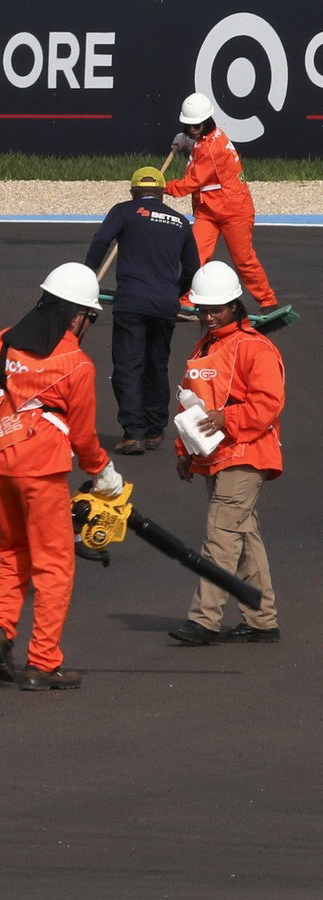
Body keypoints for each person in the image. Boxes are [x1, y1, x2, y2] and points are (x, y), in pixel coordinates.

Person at [0, 262, 125, 691]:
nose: (89, 325)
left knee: (12, 549)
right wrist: (104, 474)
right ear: (75, 315)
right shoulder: (76, 363)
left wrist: (1, 417)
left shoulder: (2, 343)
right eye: (90, 317)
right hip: (42, 471)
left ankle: (0, 630)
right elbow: (85, 438)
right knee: (54, 566)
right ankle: (43, 662)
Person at [166, 261, 285, 645]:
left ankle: (204, 620)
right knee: (244, 536)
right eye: (203, 309)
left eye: (216, 308)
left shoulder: (255, 347)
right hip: (217, 455)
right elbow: (191, 403)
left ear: (235, 304)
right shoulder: (207, 346)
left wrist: (225, 419)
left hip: (247, 454)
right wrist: (185, 449)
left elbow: (268, 404)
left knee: (220, 535)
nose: (209, 315)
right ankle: (262, 620)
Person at [84, 165, 200, 455]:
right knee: (156, 365)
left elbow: (101, 241)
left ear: (134, 192)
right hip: (164, 304)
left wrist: (86, 274)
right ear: (162, 194)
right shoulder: (180, 222)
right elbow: (192, 269)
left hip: (132, 301)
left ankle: (133, 432)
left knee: (128, 366)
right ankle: (154, 429)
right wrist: (174, 291)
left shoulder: (124, 210)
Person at [165, 92, 279, 310]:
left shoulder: (211, 148)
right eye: (189, 126)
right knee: (195, 257)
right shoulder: (208, 137)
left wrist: (163, 187)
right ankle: (188, 300)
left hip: (234, 209)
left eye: (196, 126)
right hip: (208, 209)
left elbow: (191, 183)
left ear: (207, 120)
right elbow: (200, 146)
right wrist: (189, 142)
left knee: (244, 259)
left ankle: (268, 301)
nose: (192, 129)